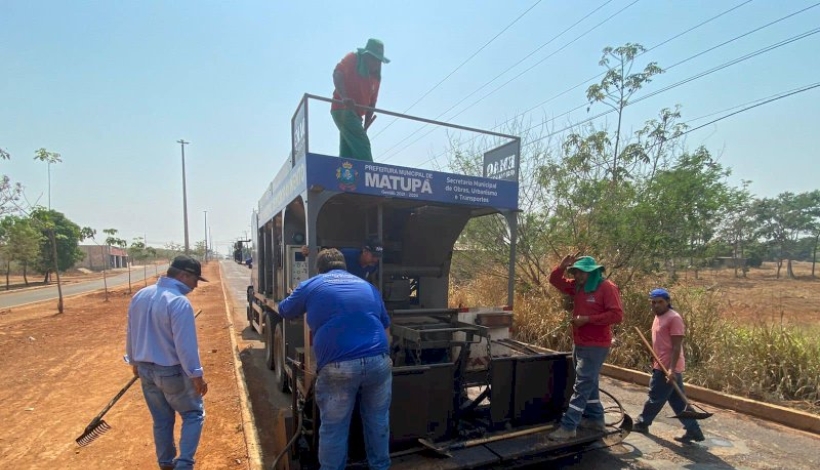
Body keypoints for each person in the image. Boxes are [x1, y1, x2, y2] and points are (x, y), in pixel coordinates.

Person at [278, 248, 392, 470]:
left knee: (335, 426)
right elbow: (386, 327)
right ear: (344, 266)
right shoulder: (368, 287)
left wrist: (295, 295)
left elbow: (284, 310)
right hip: (378, 361)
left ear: (319, 268)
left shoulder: (311, 285)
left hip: (339, 366)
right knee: (378, 421)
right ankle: (380, 466)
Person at [125, 255, 209, 470]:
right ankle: (184, 464)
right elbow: (185, 346)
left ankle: (165, 463)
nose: (196, 285)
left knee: (162, 420)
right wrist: (196, 375)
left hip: (145, 370)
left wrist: (134, 361)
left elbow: (131, 332)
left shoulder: (141, 295)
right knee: (193, 414)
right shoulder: (178, 302)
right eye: (195, 279)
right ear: (183, 275)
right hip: (171, 372)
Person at [547, 254, 624, 440]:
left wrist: (588, 320)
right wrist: (562, 267)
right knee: (590, 382)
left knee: (582, 386)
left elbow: (617, 315)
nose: (577, 276)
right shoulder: (578, 287)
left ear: (592, 272)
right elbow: (555, 281)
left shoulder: (606, 287)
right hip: (580, 342)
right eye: (576, 272)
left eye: (582, 273)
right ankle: (596, 420)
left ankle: (568, 426)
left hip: (596, 345)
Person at [633, 288, 705, 443]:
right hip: (661, 364)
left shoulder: (674, 318)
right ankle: (694, 430)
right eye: (653, 302)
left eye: (660, 302)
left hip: (667, 367)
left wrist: (671, 369)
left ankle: (642, 423)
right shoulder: (658, 316)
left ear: (668, 302)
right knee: (678, 401)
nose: (656, 305)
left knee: (655, 397)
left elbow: (676, 346)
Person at [331, 38, 390, 162]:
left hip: (357, 117)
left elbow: (372, 104)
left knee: (348, 151)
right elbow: (337, 74)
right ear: (366, 55)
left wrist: (366, 126)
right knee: (362, 145)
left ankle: (345, 180)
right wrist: (344, 97)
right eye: (374, 59)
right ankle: (371, 176)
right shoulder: (352, 58)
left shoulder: (376, 77)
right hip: (343, 109)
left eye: (379, 61)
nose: (376, 63)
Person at [301, 238, 383, 281]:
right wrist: (310, 252)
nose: (375, 259)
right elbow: (326, 256)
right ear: (364, 251)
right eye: (373, 256)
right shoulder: (346, 255)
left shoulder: (373, 265)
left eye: (378, 257)